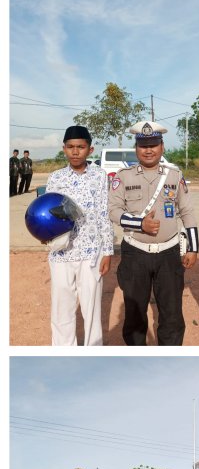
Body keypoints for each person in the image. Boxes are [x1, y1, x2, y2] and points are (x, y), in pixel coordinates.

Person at [108, 121, 199, 345]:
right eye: (143, 145)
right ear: (136, 149)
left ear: (162, 147)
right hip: (135, 254)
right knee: (135, 315)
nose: (148, 150)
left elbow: (187, 211)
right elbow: (113, 210)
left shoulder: (174, 176)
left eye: (153, 144)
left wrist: (193, 247)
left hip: (168, 253)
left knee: (172, 315)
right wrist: (140, 224)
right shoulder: (123, 176)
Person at [44, 125, 113, 346]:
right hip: (61, 252)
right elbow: (48, 212)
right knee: (61, 307)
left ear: (90, 150)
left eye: (81, 147)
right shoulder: (56, 178)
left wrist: (108, 251)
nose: (75, 152)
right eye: (71, 147)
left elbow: (104, 213)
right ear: (64, 149)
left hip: (91, 251)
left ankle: (93, 348)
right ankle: (63, 351)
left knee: (91, 307)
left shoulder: (99, 176)